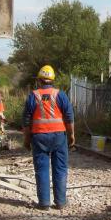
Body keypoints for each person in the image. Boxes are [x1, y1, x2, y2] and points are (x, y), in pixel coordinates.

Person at [22, 65, 75, 210]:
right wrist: (72, 135)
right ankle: (61, 202)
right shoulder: (60, 95)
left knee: (42, 169)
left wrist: (26, 140)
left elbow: (26, 121)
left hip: (39, 137)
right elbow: (69, 117)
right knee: (60, 168)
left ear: (39, 80)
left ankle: (44, 203)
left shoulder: (33, 96)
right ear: (52, 80)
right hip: (59, 136)